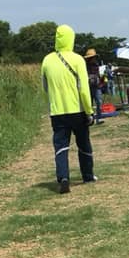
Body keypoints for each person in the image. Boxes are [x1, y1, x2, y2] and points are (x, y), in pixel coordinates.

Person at [41, 25, 95, 193]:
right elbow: (84, 89)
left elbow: (45, 87)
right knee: (84, 144)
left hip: (57, 112)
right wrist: (89, 111)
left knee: (61, 146)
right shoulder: (78, 59)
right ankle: (87, 175)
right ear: (71, 39)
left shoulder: (47, 60)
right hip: (77, 110)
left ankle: (63, 177)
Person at [84, 48, 103, 123]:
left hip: (97, 86)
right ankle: (91, 118)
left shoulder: (96, 64)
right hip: (88, 86)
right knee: (89, 103)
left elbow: (98, 75)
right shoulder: (84, 65)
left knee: (99, 101)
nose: (93, 58)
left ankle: (99, 118)